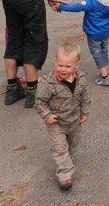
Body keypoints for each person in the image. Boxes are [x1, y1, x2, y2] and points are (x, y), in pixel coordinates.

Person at [35, 42, 90, 191]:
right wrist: (47, 115)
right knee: (60, 147)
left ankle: (67, 160)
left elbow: (84, 97)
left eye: (68, 66)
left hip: (75, 120)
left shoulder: (81, 79)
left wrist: (85, 112)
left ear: (77, 65)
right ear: (55, 62)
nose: (63, 69)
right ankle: (65, 174)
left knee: (73, 143)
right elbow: (39, 101)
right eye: (60, 65)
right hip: (56, 123)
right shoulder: (49, 83)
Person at [57, 0, 109, 86]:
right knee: (104, 51)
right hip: (105, 32)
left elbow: (77, 7)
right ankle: (105, 71)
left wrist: (61, 6)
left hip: (94, 33)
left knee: (97, 53)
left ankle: (105, 77)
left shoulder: (92, 0)